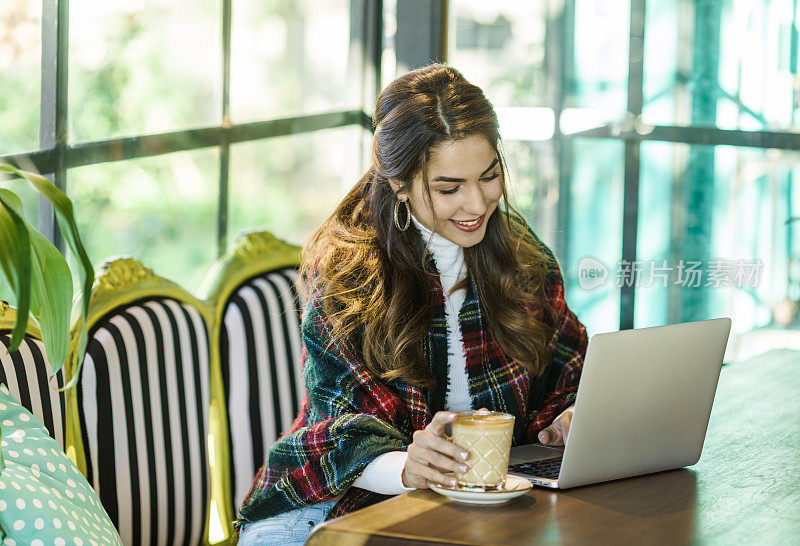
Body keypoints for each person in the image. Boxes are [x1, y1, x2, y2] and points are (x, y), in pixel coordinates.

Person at [235, 63, 588, 545]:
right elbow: (344, 425)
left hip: (468, 510)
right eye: (448, 188)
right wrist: (408, 465)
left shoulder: (520, 255)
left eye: (489, 176)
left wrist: (571, 414)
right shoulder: (349, 274)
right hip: (331, 510)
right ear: (399, 184)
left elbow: (568, 367)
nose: (477, 205)